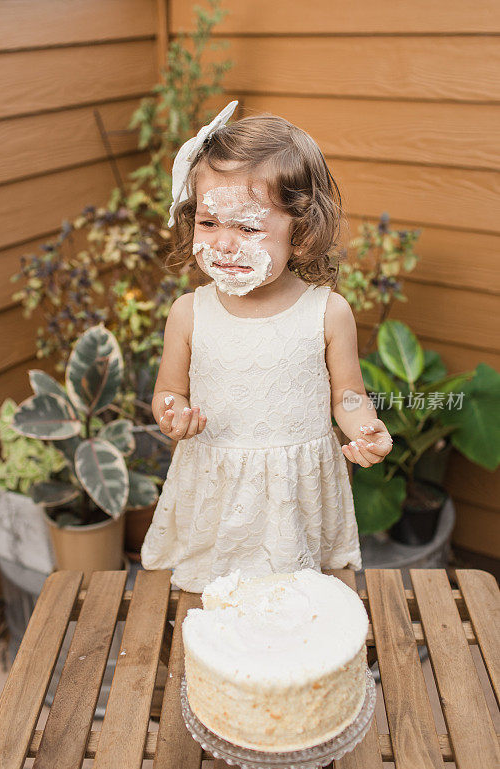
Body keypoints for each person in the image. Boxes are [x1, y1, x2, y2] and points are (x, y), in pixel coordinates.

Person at [141, 101, 393, 592]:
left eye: (248, 226)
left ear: (301, 233)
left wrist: (365, 429)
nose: (224, 243)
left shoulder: (328, 312)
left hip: (295, 494)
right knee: (215, 602)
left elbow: (348, 396)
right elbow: (167, 392)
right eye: (209, 223)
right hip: (217, 488)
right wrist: (173, 413)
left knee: (303, 602)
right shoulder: (189, 313)